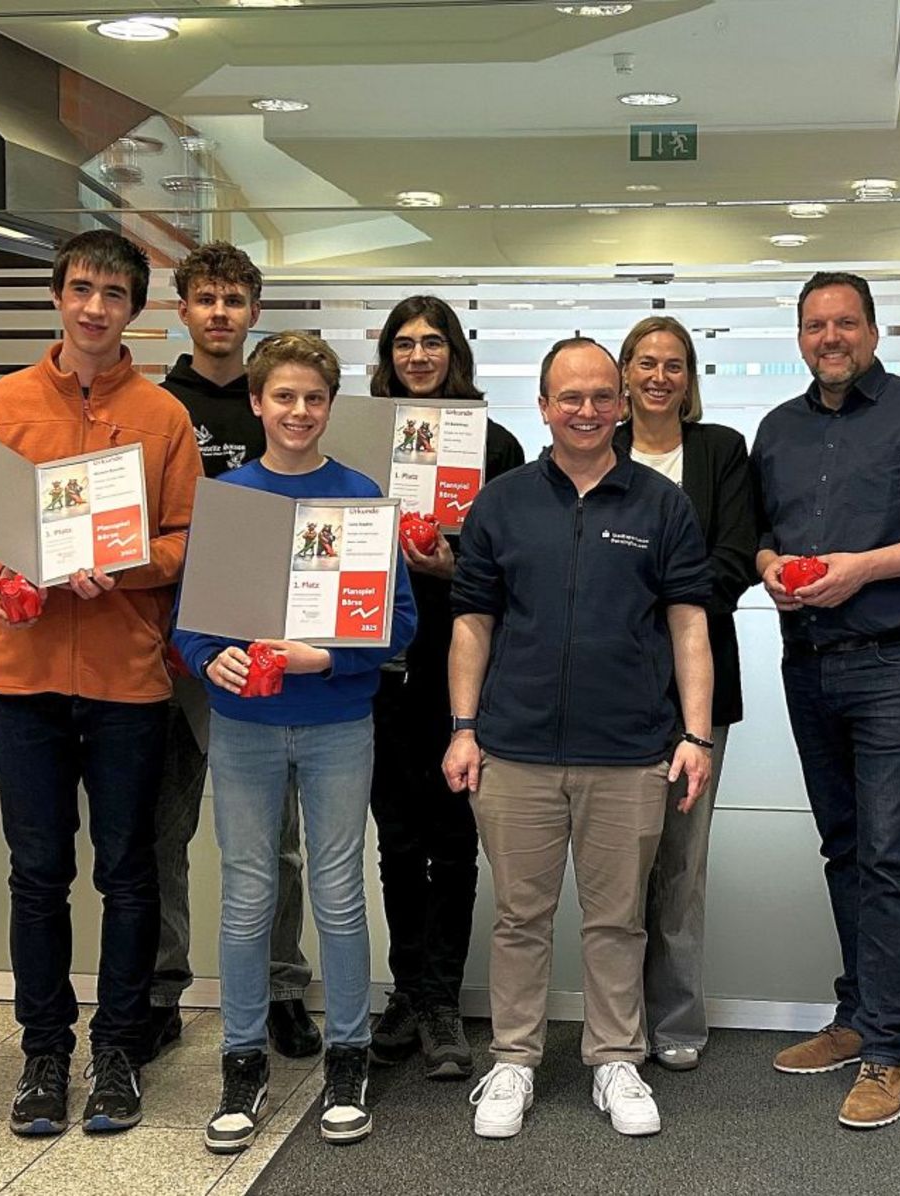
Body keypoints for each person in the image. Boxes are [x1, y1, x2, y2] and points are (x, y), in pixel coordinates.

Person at [0, 229, 202, 1137]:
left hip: (129, 680)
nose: (96, 307)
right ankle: (44, 1054)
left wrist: (124, 567)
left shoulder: (164, 417)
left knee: (129, 874)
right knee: (37, 875)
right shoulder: (3, 403)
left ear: (135, 309)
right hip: (24, 680)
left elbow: (186, 539)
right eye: (82, 289)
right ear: (58, 296)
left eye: (114, 294)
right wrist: (8, 574)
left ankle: (119, 1051)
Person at [445, 336, 715, 1140]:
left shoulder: (662, 505)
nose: (588, 410)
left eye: (602, 396)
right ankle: (514, 1060)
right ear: (543, 407)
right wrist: (463, 729)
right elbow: (472, 624)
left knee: (618, 920)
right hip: (514, 750)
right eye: (571, 397)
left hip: (629, 752)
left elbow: (689, 626)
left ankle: (615, 1061)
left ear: (622, 405)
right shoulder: (501, 503)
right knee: (519, 918)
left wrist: (695, 734)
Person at [750, 270, 900, 1130]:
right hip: (807, 660)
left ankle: (888, 1049)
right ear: (800, 337)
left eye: (846, 323)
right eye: (816, 325)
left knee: (890, 855)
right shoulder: (777, 430)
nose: (831, 338)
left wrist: (864, 569)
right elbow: (762, 533)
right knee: (845, 847)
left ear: (873, 331)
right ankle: (855, 1014)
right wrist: (769, 567)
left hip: (896, 661)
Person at [172, 331, 417, 1150]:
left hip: (338, 721)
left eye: (314, 398)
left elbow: (399, 622)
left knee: (339, 892)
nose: (299, 411)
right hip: (245, 725)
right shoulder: (228, 498)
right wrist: (212, 659)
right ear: (256, 402)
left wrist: (331, 657)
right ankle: (242, 1061)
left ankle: (348, 1056)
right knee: (248, 896)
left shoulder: (358, 496)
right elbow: (190, 626)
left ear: (330, 406)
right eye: (284, 396)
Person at [147, 242, 321, 1065]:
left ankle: (283, 988)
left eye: (234, 299)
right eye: (206, 298)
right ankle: (160, 992)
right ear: (182, 309)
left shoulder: (279, 402)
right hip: (173, 645)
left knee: (274, 836)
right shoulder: (156, 408)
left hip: (267, 646)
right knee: (164, 831)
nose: (220, 313)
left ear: (255, 311)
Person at [365, 295, 525, 1079]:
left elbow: (521, 570)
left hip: (464, 672)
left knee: (454, 840)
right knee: (397, 841)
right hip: (380, 670)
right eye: (404, 343)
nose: (418, 356)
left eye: (432, 342)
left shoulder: (496, 446)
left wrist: (453, 569)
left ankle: (441, 1000)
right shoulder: (360, 440)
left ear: (454, 352)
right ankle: (407, 990)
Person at [610, 315, 756, 1072]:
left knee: (680, 863)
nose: (659, 376)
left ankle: (675, 1018)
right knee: (616, 865)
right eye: (645, 362)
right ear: (624, 374)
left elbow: (735, 558)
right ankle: (617, 1022)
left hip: (698, 690)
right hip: (611, 688)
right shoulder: (593, 448)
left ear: (689, 378)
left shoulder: (720, 451)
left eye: (673, 364)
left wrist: (652, 603)